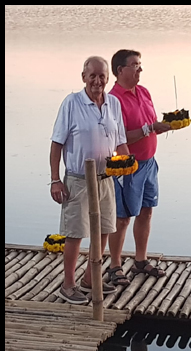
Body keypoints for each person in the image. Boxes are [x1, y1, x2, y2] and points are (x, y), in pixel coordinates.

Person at [49, 55, 130, 304]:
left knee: (105, 228)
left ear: (108, 78)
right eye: (92, 75)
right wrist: (55, 179)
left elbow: (121, 141)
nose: (97, 81)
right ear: (83, 77)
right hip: (78, 178)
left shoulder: (114, 103)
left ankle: (89, 279)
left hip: (106, 178)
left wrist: (128, 164)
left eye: (101, 76)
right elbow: (56, 143)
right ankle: (68, 284)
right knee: (75, 233)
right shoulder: (71, 103)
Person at [106, 49, 172, 286]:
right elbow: (117, 136)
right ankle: (114, 265)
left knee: (147, 210)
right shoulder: (113, 99)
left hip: (150, 162)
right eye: (134, 65)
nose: (139, 69)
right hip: (128, 166)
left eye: (140, 64)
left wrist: (163, 126)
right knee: (122, 217)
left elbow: (151, 124)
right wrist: (149, 128)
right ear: (120, 70)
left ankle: (140, 261)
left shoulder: (144, 92)